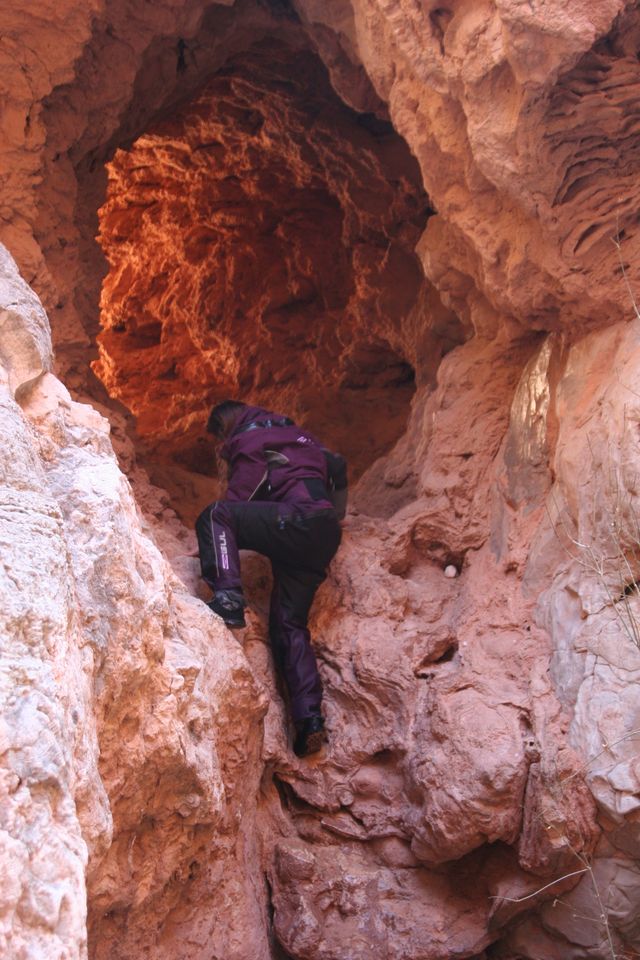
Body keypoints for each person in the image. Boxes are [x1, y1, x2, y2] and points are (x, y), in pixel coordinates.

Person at [195, 400, 347, 757]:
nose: (220, 448)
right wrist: (335, 513)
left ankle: (229, 600)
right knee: (289, 626)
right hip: (322, 531)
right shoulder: (302, 437)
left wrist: (220, 539)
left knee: (216, 515)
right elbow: (337, 465)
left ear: (225, 427)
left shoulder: (250, 438)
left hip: (294, 519)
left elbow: (245, 488)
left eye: (219, 439)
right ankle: (310, 720)